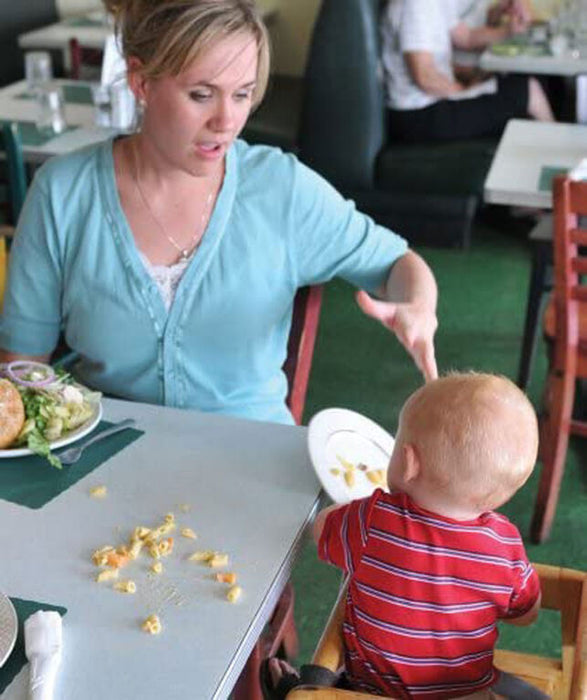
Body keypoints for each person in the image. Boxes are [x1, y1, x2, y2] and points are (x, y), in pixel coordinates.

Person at [0, 0, 438, 425]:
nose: (226, 120)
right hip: (98, 455)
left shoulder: (280, 188)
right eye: (201, 94)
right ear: (140, 82)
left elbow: (397, 263)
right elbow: (23, 365)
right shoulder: (62, 193)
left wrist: (418, 305)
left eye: (243, 94)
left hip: (253, 457)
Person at [263, 373, 548, 699]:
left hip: (369, 693)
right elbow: (528, 613)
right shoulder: (506, 545)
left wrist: (344, 507)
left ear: (408, 462)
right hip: (466, 696)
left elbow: (321, 530)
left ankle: (291, 688)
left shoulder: (373, 519)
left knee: (324, 684)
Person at [381, 0, 555, 144]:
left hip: (431, 106)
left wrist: (509, 31)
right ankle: (563, 169)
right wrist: (464, 90)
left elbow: (466, 37)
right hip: (418, 116)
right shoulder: (416, 5)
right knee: (527, 89)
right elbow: (425, 77)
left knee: (519, 79)